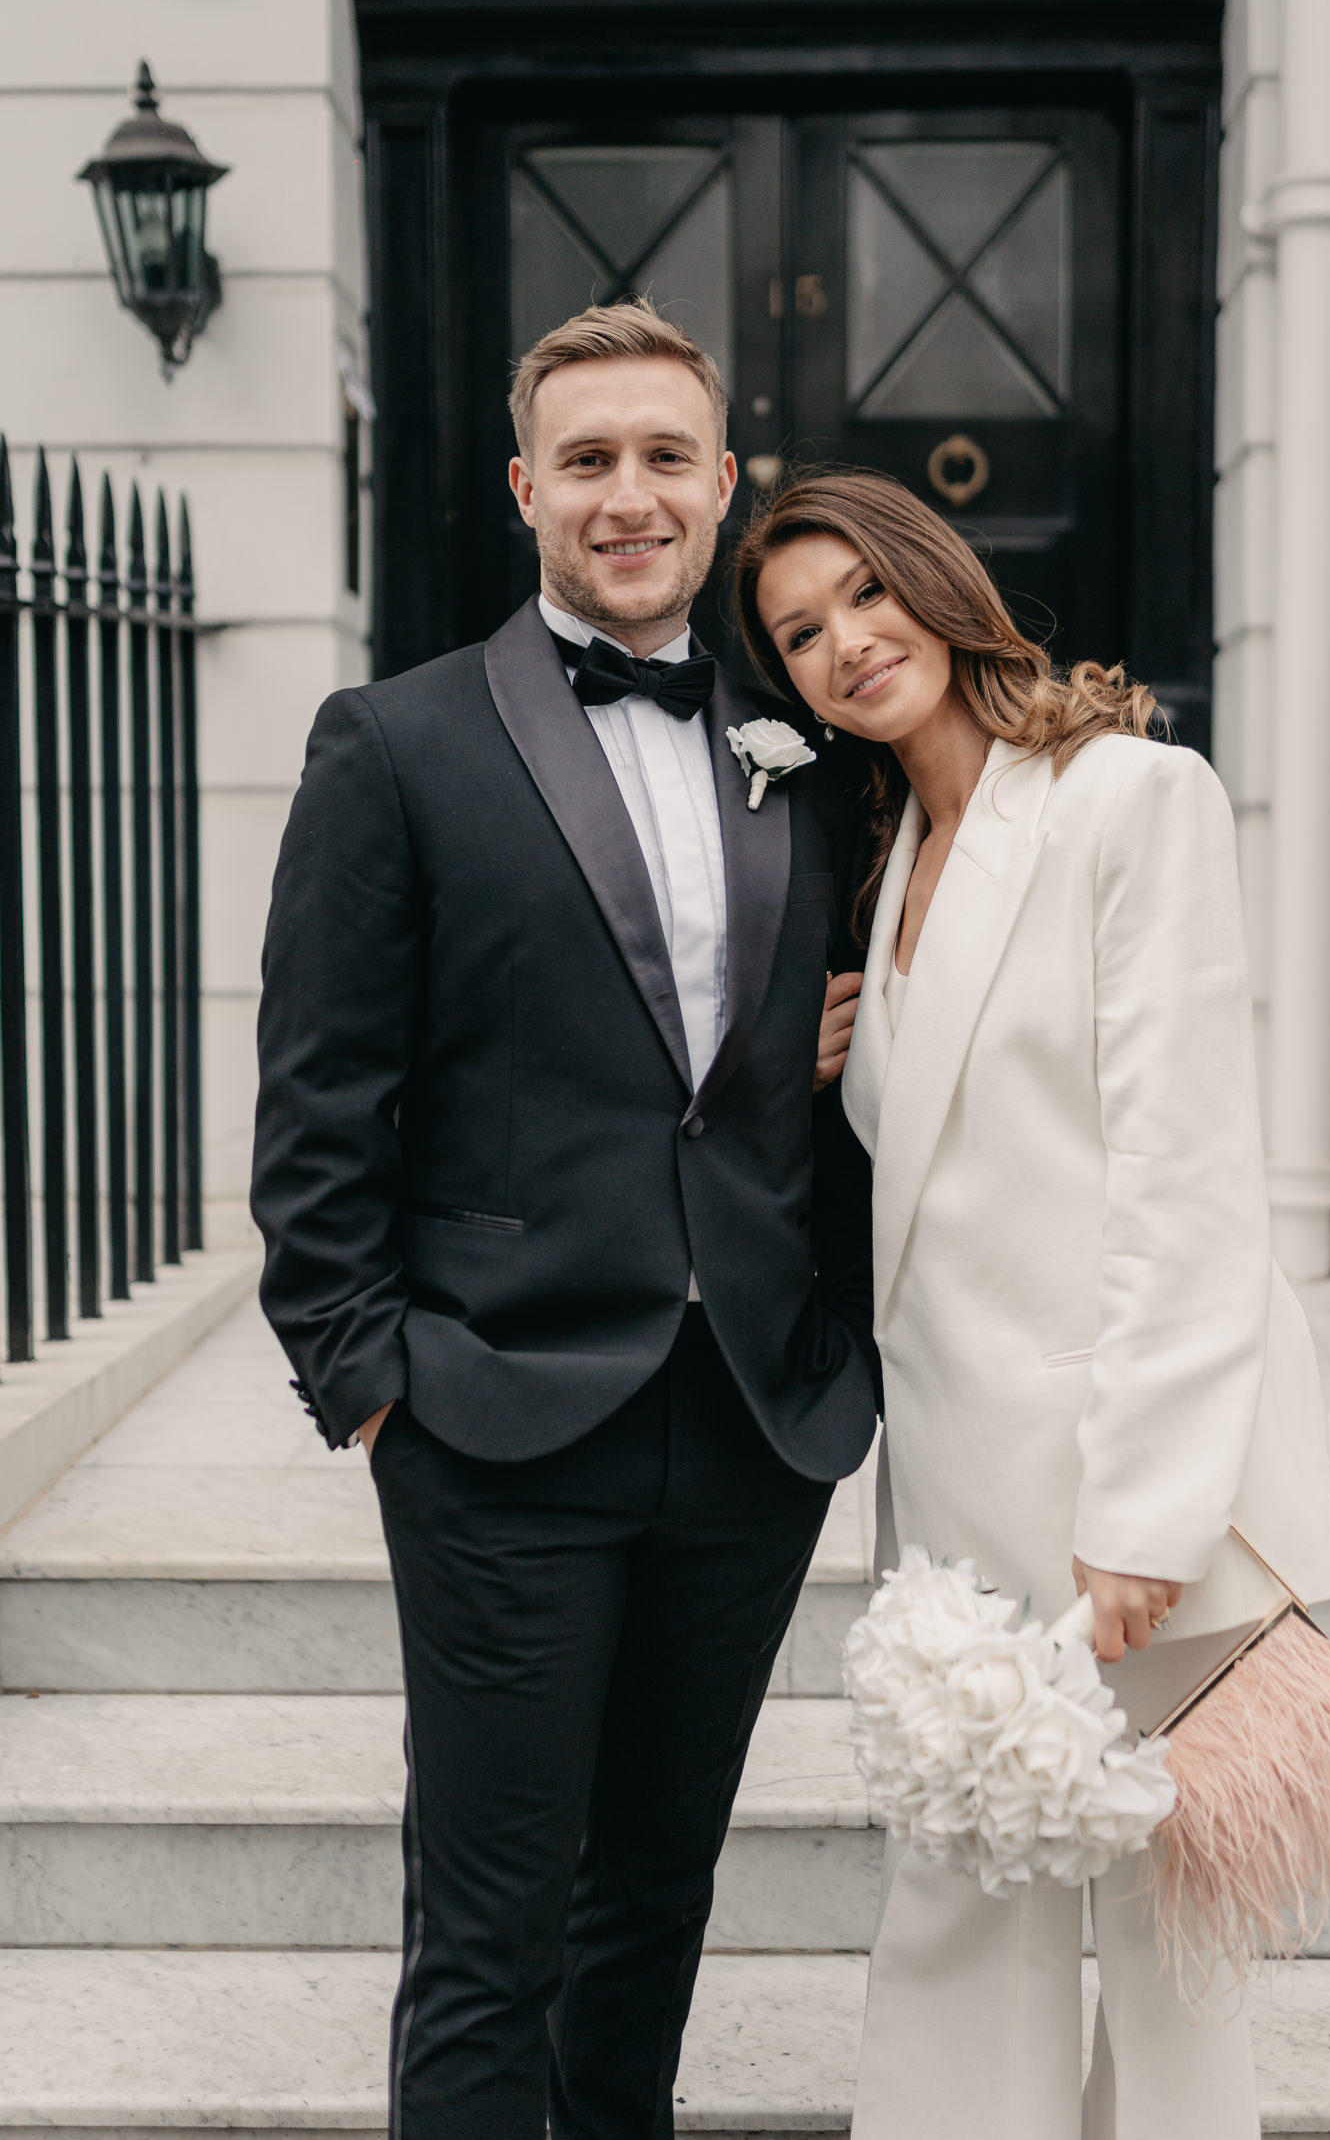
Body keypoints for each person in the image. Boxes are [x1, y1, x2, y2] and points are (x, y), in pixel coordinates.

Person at [251, 304, 879, 2140]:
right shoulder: (396, 741)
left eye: (666, 457)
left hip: (752, 1422)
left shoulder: (809, 740)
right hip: (497, 1418)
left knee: (654, 1911)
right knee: (489, 1930)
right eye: (589, 460)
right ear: (527, 486)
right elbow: (318, 1103)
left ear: (723, 485)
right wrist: (373, 1382)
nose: (631, 495)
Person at [732, 470, 1330, 2140]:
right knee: (955, 1933)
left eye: (866, 593)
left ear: (935, 582)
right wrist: (814, 1077)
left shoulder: (1126, 799)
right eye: (801, 632)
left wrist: (1146, 1517)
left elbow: (1189, 1177)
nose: (845, 643)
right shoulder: (879, 871)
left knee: (1169, 1960)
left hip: (1134, 1500)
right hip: (954, 1508)